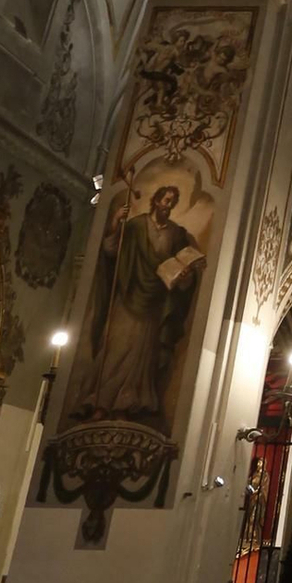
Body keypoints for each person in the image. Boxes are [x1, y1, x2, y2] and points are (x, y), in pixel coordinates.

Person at [74, 184, 201, 429]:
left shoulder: (176, 234)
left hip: (154, 304)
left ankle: (126, 404)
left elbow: (179, 263)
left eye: (173, 202)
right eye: (166, 200)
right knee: (115, 349)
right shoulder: (134, 226)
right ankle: (100, 403)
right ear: (155, 201)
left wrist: (184, 276)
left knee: (139, 357)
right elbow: (111, 250)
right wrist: (114, 222)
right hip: (128, 296)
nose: (168, 205)